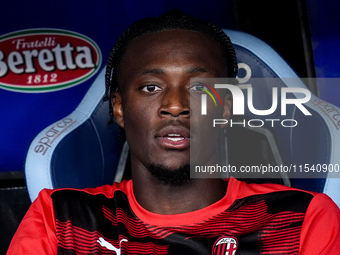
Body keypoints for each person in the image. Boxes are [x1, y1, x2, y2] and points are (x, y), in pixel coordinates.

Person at [7, 10, 340, 255]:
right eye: (151, 87)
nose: (176, 105)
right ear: (119, 108)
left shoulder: (302, 220)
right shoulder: (61, 219)